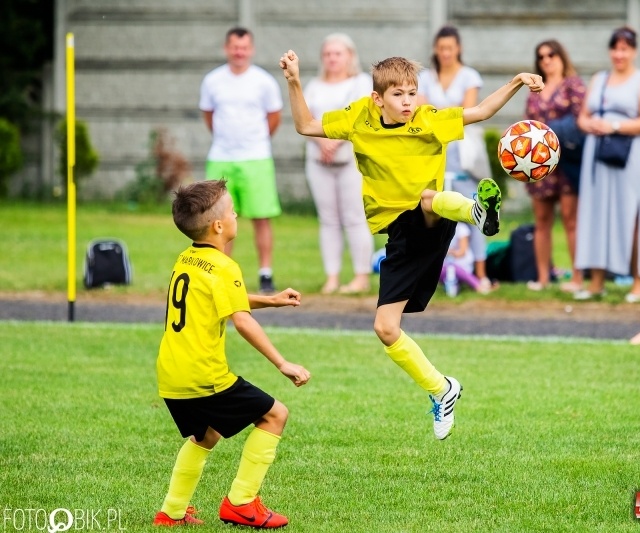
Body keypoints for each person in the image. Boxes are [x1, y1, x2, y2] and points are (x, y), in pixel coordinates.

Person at [279, 50, 543, 439]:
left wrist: (517, 80)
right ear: (378, 98)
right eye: (399, 94)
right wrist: (294, 80)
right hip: (398, 235)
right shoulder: (358, 118)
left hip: (433, 217)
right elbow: (304, 125)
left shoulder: (429, 119)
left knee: (427, 199)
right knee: (385, 327)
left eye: (413, 93)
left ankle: (477, 213)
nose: (408, 102)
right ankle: (442, 389)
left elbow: (482, 112)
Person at [153, 180, 311, 528]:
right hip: (203, 375)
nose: (237, 214)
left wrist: (270, 299)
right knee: (275, 415)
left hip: (171, 374)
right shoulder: (224, 266)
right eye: (233, 210)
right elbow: (242, 320)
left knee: (205, 434)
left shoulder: (188, 259)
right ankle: (241, 502)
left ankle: (171, 512)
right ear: (219, 225)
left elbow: (223, 298)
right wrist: (283, 363)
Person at [573, 27, 640, 303]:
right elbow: (583, 117)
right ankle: (596, 281)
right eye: (616, 48)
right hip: (597, 154)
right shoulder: (600, 79)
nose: (619, 54)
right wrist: (592, 125)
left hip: (629, 154)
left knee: (632, 213)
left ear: (633, 51)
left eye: (625, 49)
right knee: (596, 214)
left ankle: (637, 282)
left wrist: (615, 125)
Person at [200, 27, 284, 294]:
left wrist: (255, 141)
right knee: (218, 219)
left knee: (261, 217)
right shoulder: (212, 80)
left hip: (256, 158)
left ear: (252, 49)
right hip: (221, 158)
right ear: (227, 48)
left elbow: (274, 117)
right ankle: (221, 270)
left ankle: (265, 273)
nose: (239, 52)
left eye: (244, 47)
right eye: (235, 47)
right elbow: (209, 116)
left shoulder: (264, 81)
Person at [418, 25, 493, 293]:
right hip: (435, 153)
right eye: (441, 48)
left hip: (463, 156)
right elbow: (422, 110)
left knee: (474, 208)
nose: (446, 53)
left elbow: (468, 112)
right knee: (433, 211)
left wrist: (439, 115)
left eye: (450, 48)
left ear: (458, 48)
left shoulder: (469, 76)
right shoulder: (426, 77)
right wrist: (444, 115)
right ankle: (435, 270)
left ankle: (481, 274)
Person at [304, 33, 374, 294]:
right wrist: (322, 142)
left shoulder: (361, 83)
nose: (332, 58)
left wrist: (335, 141)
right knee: (328, 219)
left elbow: (361, 115)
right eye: (328, 54)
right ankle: (331, 277)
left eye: (338, 53)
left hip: (350, 159)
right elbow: (306, 117)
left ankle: (360, 276)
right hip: (318, 159)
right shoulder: (313, 86)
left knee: (354, 217)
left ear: (349, 56)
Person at [523, 39, 586, 293]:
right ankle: (543, 278)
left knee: (572, 221)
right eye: (541, 56)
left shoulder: (574, 85)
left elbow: (582, 119)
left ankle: (578, 278)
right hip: (540, 165)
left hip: (568, 162)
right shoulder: (533, 91)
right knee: (542, 220)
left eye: (551, 54)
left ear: (561, 56)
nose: (546, 60)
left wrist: (549, 134)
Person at [439, 222, 494, 295]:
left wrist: (448, 252)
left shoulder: (461, 228)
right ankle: (454, 286)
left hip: (460, 264)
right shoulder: (442, 229)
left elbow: (462, 252)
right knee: (447, 269)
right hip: (448, 265)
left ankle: (478, 285)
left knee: (454, 268)